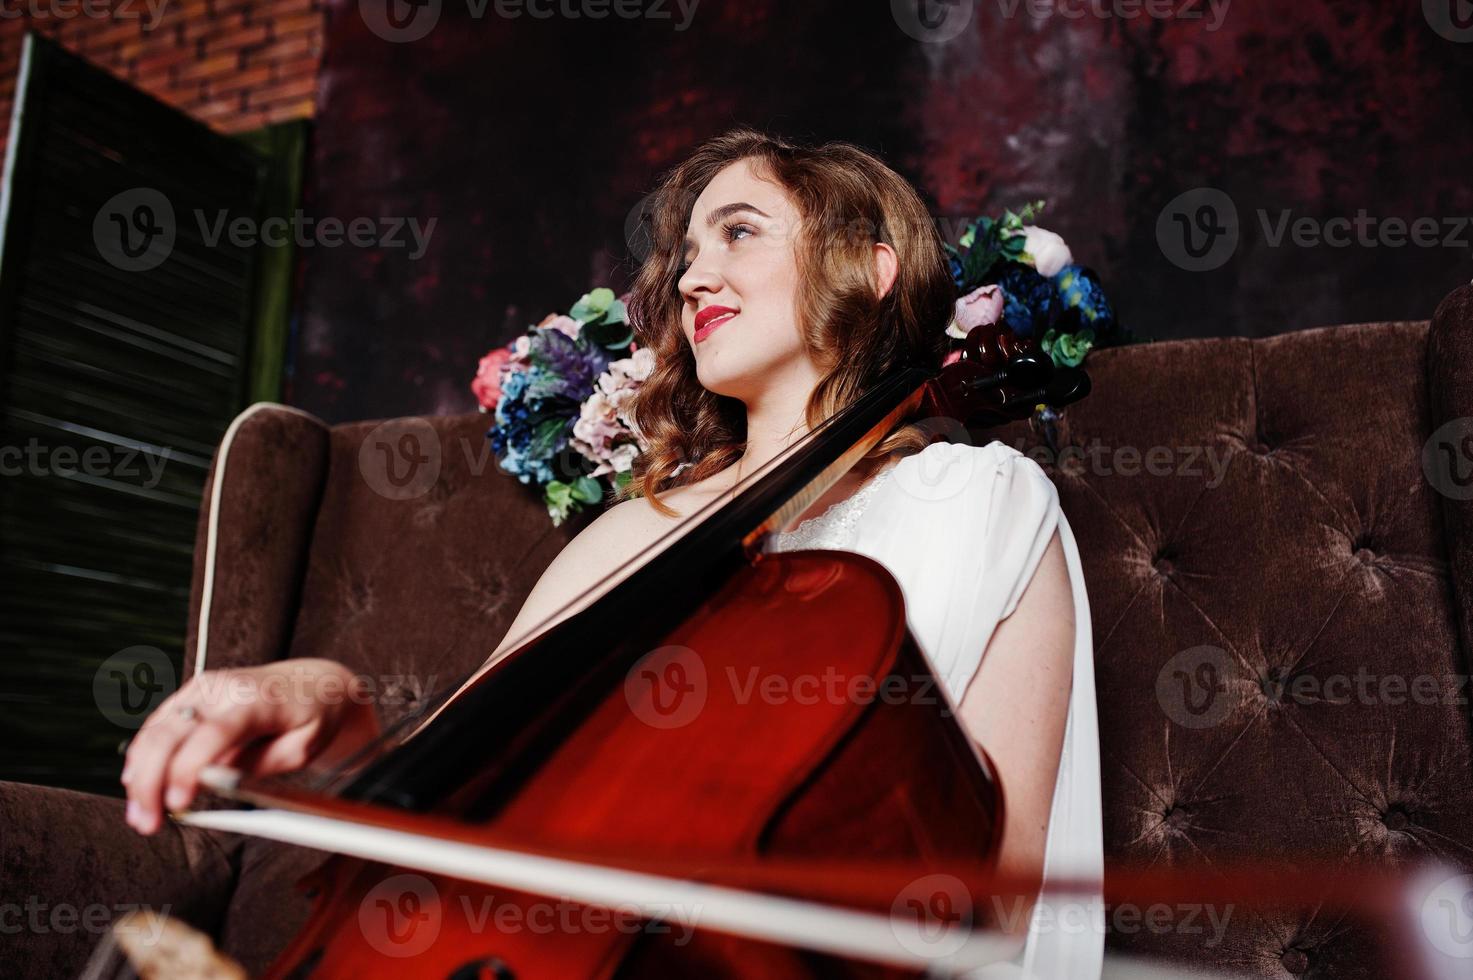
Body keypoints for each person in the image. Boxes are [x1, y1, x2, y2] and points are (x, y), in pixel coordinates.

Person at [120, 128, 1102, 978]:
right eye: (684, 255)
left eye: (740, 231)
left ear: (872, 267)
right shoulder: (629, 533)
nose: (691, 275)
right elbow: (445, 785)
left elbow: (998, 903)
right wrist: (321, 694)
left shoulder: (980, 497)